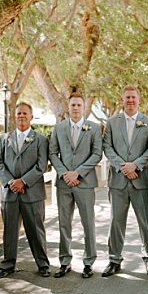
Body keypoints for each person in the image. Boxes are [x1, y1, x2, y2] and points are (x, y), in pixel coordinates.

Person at [0, 102, 52, 279]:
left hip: (32, 194)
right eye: (18, 114)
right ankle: (8, 265)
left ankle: (43, 264)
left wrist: (23, 181)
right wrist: (11, 181)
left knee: (36, 231)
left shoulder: (40, 139)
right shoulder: (4, 139)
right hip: (10, 194)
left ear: (31, 117)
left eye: (25, 113)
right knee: (9, 231)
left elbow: (42, 166)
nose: (21, 116)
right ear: (14, 116)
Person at [102, 86, 148, 277]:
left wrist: (136, 165)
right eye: (127, 98)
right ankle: (114, 259)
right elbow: (107, 147)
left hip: (142, 180)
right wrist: (122, 166)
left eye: (133, 97)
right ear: (122, 100)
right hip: (118, 181)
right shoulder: (111, 122)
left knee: (146, 221)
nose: (130, 100)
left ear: (139, 99)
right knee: (116, 222)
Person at [49, 94, 102, 278]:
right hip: (64, 183)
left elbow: (97, 154)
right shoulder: (59, 128)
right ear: (68, 107)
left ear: (84, 107)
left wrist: (78, 173)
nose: (76, 108)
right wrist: (65, 173)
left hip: (85, 182)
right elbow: (53, 153)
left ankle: (89, 262)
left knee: (88, 223)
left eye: (79, 105)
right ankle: (64, 261)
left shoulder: (93, 128)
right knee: (64, 223)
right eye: (73, 105)